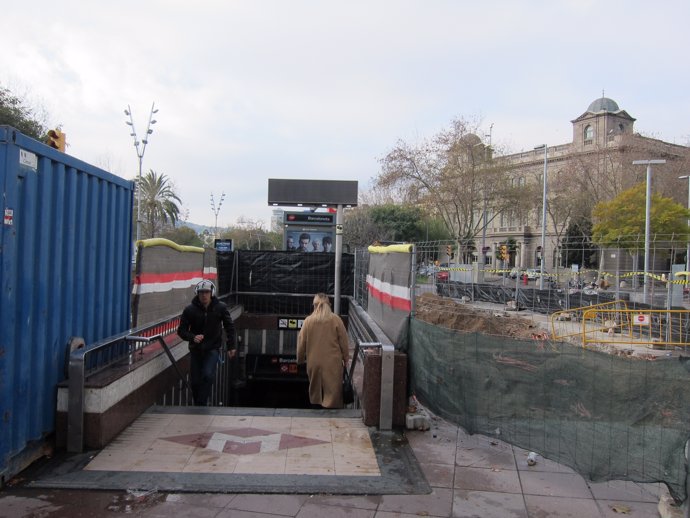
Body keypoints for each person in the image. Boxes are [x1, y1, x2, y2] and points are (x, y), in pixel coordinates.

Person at [177, 280, 236, 406]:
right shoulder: (189, 310)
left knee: (208, 374)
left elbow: (229, 327)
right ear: (197, 294)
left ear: (212, 293)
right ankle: (199, 402)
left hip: (212, 349)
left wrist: (232, 346)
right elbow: (181, 331)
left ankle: (202, 403)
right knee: (195, 381)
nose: (204, 295)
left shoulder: (220, 308)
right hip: (195, 349)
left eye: (207, 292)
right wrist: (192, 337)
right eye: (201, 292)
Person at [297, 293, 349, 409]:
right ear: (329, 305)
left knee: (316, 389)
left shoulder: (308, 321)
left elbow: (301, 343)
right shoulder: (336, 320)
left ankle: (316, 409)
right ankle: (332, 412)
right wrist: (346, 358)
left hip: (313, 362)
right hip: (333, 362)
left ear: (314, 306)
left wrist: (300, 359)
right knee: (332, 391)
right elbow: (344, 342)